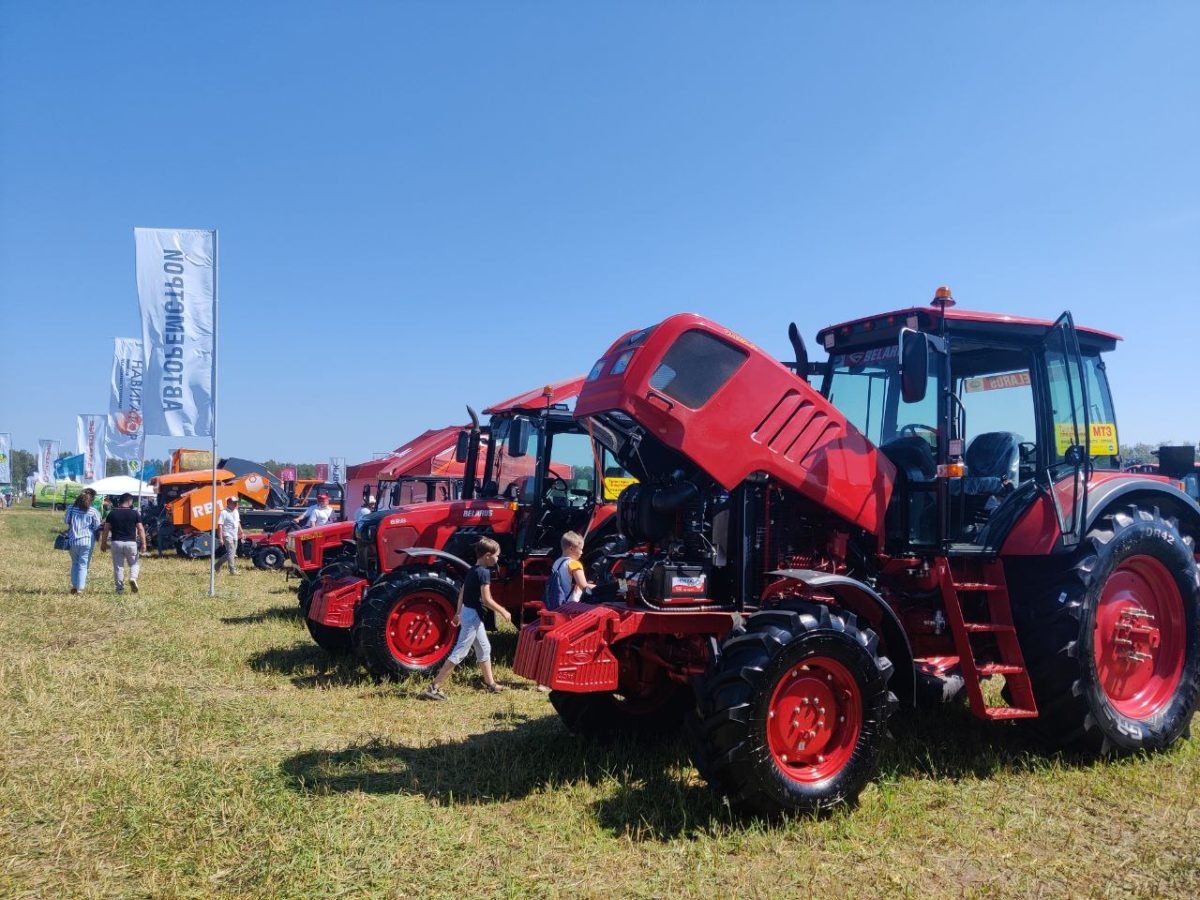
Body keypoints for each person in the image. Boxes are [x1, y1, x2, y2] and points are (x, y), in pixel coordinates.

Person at [418, 537, 511, 700]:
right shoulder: (484, 573)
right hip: (473, 616)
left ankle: (491, 684)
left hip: (469, 613)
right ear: (488, 556)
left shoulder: (473, 569)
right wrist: (503, 610)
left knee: (484, 648)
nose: (498, 559)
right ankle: (434, 688)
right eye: (497, 556)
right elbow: (487, 600)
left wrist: (458, 612)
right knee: (460, 651)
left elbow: (462, 591)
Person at [100, 493, 146, 594]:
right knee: (134, 564)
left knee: (118, 566)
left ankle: (119, 589)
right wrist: (144, 544)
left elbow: (106, 529)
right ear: (129, 501)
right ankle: (133, 577)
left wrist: (103, 543)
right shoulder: (135, 513)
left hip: (116, 542)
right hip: (131, 543)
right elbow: (140, 529)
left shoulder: (112, 513)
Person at [544, 531, 595, 610]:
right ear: (571, 549)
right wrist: (599, 587)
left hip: (557, 603)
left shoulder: (556, 563)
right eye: (580, 549)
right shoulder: (574, 564)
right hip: (570, 606)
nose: (582, 552)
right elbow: (584, 586)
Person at [64, 489, 101, 594]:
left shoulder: (71, 508)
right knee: (83, 564)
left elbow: (66, 521)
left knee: (75, 563)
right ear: (91, 500)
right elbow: (97, 526)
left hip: (73, 540)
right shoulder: (93, 511)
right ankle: (80, 589)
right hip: (87, 541)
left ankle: (74, 585)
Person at [218, 497, 242, 575]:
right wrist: (220, 538)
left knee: (231, 553)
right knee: (231, 552)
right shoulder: (223, 512)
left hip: (235, 535)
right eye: (233, 502)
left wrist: (241, 531)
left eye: (236, 502)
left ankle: (217, 565)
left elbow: (238, 522)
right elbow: (220, 525)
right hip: (227, 535)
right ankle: (232, 570)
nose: (235, 504)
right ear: (228, 503)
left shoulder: (236, 511)